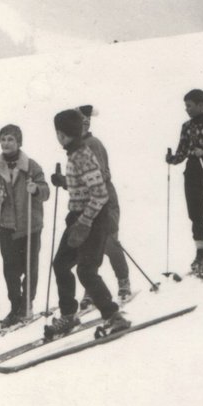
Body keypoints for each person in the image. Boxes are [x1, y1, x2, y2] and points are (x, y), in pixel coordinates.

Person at [44, 109, 129, 339]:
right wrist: (64, 182)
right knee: (61, 264)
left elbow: (100, 193)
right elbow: (84, 185)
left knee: (85, 271)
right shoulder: (75, 154)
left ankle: (113, 316)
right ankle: (69, 315)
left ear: (61, 134)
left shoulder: (82, 155)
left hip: (92, 220)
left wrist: (84, 223)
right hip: (78, 217)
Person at [0, 124, 50, 328]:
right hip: (7, 225)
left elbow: (46, 191)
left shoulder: (31, 166)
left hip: (30, 224)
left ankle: (26, 304)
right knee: (10, 270)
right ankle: (15, 307)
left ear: (19, 142)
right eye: (3, 139)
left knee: (30, 266)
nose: (6, 143)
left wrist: (36, 189)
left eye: (10, 139)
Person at [166, 89, 203, 272]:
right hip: (193, 169)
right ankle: (200, 252)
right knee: (195, 210)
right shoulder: (187, 126)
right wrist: (173, 159)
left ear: (201, 105)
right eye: (186, 106)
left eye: (190, 106)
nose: (187, 110)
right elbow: (183, 150)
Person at [78, 105, 132, 301]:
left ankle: (123, 280)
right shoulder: (75, 148)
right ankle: (91, 288)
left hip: (105, 199)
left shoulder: (93, 143)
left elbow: (102, 174)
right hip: (87, 203)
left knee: (109, 241)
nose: (83, 125)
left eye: (85, 122)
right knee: (88, 246)